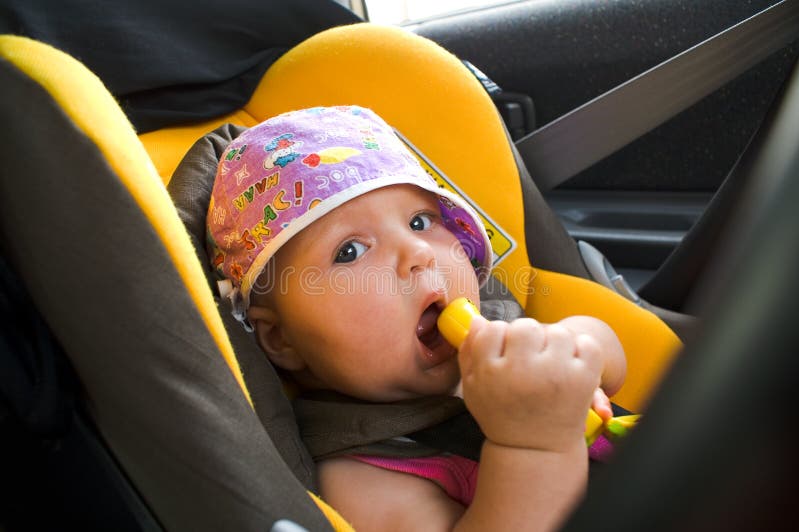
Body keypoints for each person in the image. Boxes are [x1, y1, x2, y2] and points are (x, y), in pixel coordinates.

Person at [206, 106, 626, 531]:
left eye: (421, 221)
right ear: (282, 340)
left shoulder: (506, 338)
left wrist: (567, 348)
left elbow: (609, 353)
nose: (418, 253)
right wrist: (533, 446)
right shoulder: (365, 476)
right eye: (350, 251)